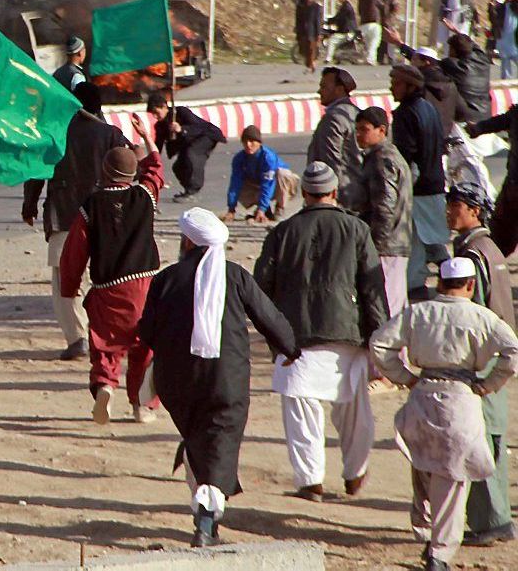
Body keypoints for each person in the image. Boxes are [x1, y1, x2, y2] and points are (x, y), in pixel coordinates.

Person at [139, 208, 300, 547]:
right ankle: (207, 521)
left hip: (177, 382)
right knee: (219, 442)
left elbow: (147, 333)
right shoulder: (236, 276)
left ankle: (203, 508)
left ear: (187, 242)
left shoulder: (166, 279)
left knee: (199, 440)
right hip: (225, 379)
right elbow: (269, 318)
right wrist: (290, 349)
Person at [369, 257, 518, 571]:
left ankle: (426, 534)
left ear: (440, 283)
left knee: (423, 467)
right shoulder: (483, 318)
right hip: (461, 400)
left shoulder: (417, 313)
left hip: (422, 396)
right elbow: (512, 352)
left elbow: (380, 343)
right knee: (452, 481)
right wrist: (490, 384)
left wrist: (405, 377)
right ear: (471, 285)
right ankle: (439, 554)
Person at [255, 161, 388, 503]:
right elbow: (373, 288)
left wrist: (274, 338)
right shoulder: (357, 229)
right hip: (348, 332)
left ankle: (310, 481)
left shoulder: (282, 233)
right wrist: (380, 338)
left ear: (304, 194)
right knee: (354, 411)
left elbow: (261, 290)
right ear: (333, 193)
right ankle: (355, 474)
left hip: (296, 337)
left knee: (302, 413)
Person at [59, 117, 162, 425]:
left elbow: (73, 252)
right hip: (145, 287)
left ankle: (105, 384)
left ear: (104, 172)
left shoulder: (91, 205)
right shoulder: (145, 196)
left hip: (107, 289)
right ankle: (141, 407)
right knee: (144, 348)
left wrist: (69, 287)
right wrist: (147, 138)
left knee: (106, 345)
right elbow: (156, 168)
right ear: (133, 174)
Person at [23, 83, 128, 361]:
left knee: (65, 282)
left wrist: (29, 204)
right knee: (106, 279)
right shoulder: (111, 134)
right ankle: (105, 335)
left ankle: (77, 338)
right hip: (104, 218)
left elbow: (37, 171)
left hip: (64, 215)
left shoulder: (55, 134)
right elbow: (129, 170)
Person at [445, 183, 517, 546]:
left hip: (484, 359)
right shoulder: (492, 248)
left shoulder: (473, 254)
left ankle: (490, 522)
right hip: (501, 354)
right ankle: (499, 517)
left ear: (475, 210)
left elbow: (472, 312)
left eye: (455, 205)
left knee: (480, 441)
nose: (449, 211)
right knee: (494, 437)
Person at [389, 65, 449, 299]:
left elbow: (407, 157)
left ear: (410, 86)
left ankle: (415, 287)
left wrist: (401, 189)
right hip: (434, 184)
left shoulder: (405, 113)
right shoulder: (429, 108)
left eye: (396, 83)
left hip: (418, 189)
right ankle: (452, 276)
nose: (391, 88)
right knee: (432, 240)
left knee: (415, 240)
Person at [355, 107, 413, 325]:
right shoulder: (385, 156)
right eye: (357, 129)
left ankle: (393, 358)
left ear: (381, 130)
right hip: (395, 242)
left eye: (364, 129)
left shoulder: (382, 160)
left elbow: (384, 208)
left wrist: (373, 246)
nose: (359, 134)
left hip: (387, 245)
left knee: (387, 307)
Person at [388, 30, 493, 124]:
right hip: (487, 114)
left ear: (453, 50)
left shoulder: (451, 65)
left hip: (467, 120)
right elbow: (472, 44)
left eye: (450, 49)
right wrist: (455, 30)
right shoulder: (483, 60)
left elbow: (428, 63)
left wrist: (400, 44)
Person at [147, 93, 227, 201]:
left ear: (164, 106)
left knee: (192, 155)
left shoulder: (180, 112)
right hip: (189, 142)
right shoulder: (160, 126)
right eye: (153, 114)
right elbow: (158, 146)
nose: (155, 117)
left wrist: (182, 129)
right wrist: (151, 160)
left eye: (157, 112)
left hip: (206, 135)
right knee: (178, 167)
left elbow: (197, 127)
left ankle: (194, 190)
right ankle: (188, 191)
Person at [465, 103, 518, 257]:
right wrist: (478, 128)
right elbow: (500, 121)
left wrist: (478, 128)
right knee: (500, 233)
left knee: (501, 232)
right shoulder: (515, 114)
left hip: (513, 185)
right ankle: (492, 262)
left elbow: (500, 121)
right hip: (513, 185)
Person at [307, 67, 363, 210]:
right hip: (356, 190)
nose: (319, 91)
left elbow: (331, 161)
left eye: (324, 87)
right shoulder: (355, 113)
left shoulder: (333, 118)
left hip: (340, 196)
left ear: (339, 89)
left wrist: (329, 196)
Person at [223, 125, 299, 223]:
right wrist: (231, 209)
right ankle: (265, 210)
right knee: (241, 183)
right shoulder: (239, 159)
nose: (248, 145)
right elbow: (235, 184)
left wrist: (261, 208)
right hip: (257, 186)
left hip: (277, 186)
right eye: (245, 142)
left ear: (259, 143)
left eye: (252, 141)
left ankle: (279, 208)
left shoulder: (268, 158)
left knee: (283, 174)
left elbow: (268, 184)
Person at [324, 0, 358, 64]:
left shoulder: (346, 7)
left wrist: (328, 22)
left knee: (332, 41)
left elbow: (339, 17)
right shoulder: (346, 5)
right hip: (348, 30)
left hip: (347, 31)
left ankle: (328, 58)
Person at [294, 0, 323, 72]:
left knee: (311, 48)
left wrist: (318, 33)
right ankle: (310, 64)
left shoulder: (316, 7)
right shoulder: (300, 6)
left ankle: (311, 65)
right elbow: (298, 19)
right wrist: (297, 29)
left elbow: (317, 21)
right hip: (302, 31)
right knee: (303, 49)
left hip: (312, 31)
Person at [358, 0, 385, 66]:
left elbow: (359, 10)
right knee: (374, 43)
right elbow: (382, 7)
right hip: (374, 24)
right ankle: (370, 59)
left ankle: (367, 58)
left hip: (363, 24)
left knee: (367, 43)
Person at [497, 0, 518, 79]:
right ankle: (506, 85)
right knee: (505, 66)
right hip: (505, 38)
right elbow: (495, 20)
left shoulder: (515, 5)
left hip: (515, 39)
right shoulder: (502, 6)